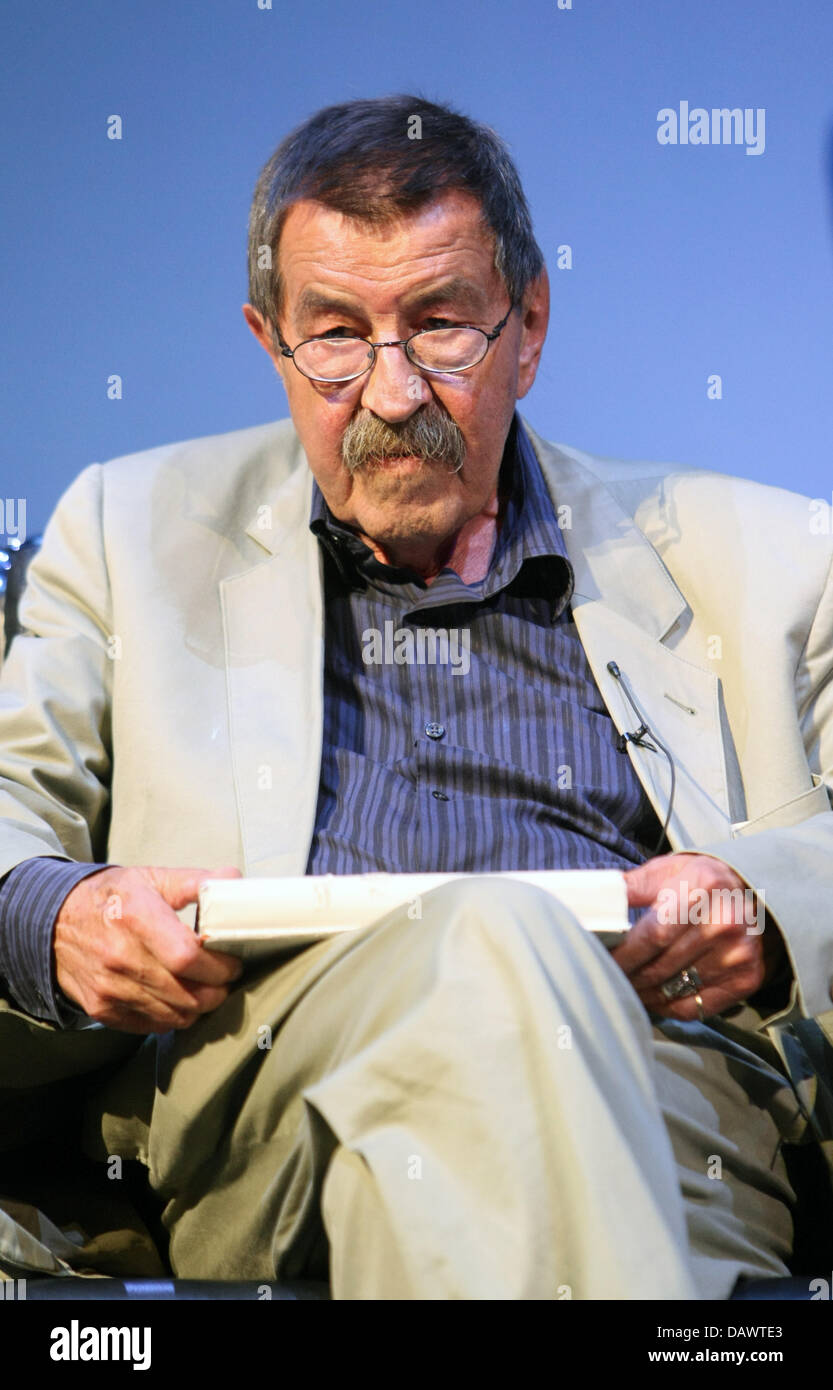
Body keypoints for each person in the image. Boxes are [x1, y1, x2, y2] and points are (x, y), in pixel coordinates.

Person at [1, 94, 832, 1301]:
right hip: (268, 1113)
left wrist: (761, 902)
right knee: (492, 943)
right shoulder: (126, 532)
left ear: (528, 326)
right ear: (266, 339)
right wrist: (57, 916)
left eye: (439, 326)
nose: (390, 395)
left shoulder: (773, 559)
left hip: (674, 1123)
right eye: (334, 336)